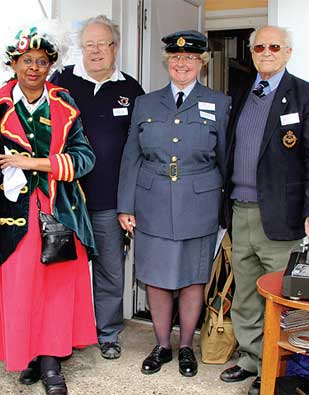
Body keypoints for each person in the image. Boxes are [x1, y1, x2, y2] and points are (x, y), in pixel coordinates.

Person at [220, 25, 309, 395]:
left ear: (287, 52)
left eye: (274, 46)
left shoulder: (306, 95)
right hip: (240, 211)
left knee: (286, 299)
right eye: (259, 47)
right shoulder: (240, 93)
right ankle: (254, 360)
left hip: (281, 217)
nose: (265, 52)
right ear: (251, 53)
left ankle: (284, 368)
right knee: (247, 296)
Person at [0, 26, 97, 395]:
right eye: (26, 61)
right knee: (19, 288)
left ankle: (51, 365)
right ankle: (27, 356)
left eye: (42, 62)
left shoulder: (64, 104)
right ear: (13, 63)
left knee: (55, 289)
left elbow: (85, 158)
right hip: (12, 212)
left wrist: (34, 163)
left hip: (60, 210)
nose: (34, 68)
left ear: (50, 66)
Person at [117, 30, 230, 377]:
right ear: (168, 62)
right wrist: (126, 205)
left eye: (191, 58)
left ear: (201, 63)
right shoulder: (146, 103)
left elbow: (226, 158)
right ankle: (162, 345)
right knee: (156, 278)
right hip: (151, 201)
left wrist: (225, 210)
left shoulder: (220, 103)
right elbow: (131, 156)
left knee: (193, 279)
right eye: (176, 58)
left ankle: (186, 348)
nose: (182, 63)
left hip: (200, 203)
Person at [50, 15, 144, 360]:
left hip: (109, 201)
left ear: (114, 47)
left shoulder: (131, 90)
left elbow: (141, 149)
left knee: (109, 270)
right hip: (65, 199)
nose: (95, 51)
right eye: (88, 44)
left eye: (102, 43)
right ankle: (65, 334)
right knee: (62, 270)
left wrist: (130, 202)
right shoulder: (60, 84)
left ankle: (107, 333)